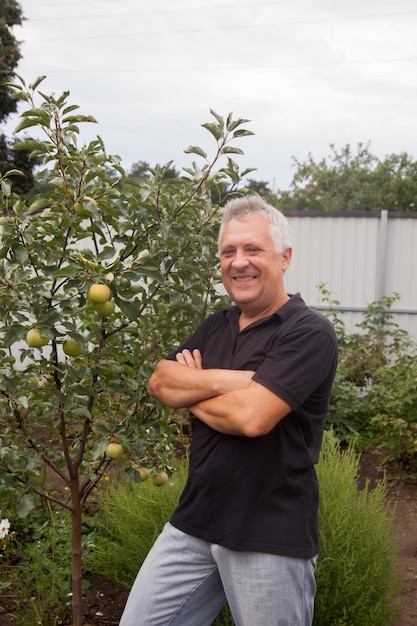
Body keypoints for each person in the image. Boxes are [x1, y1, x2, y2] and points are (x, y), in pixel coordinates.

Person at [119, 196, 338, 626]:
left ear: (284, 257)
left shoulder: (308, 332)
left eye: (253, 249)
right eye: (229, 251)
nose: (240, 262)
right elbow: (160, 382)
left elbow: (251, 419)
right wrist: (239, 381)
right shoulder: (215, 326)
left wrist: (194, 389)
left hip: (269, 535)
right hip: (194, 523)